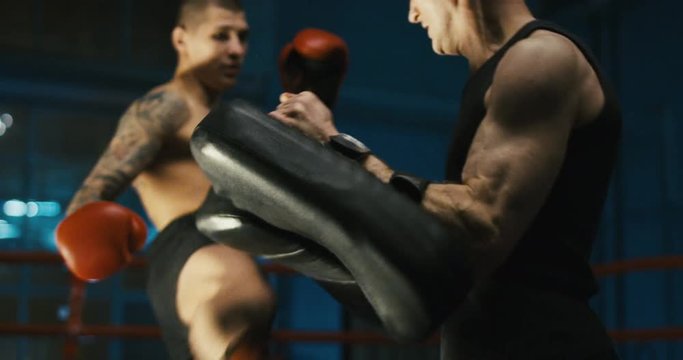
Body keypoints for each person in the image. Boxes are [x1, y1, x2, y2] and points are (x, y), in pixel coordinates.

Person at [267, 0, 622, 358]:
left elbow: (482, 226)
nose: (412, 14)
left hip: (543, 345)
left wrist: (339, 147)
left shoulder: (540, 60)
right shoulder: (495, 71)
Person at [55, 1, 276, 359]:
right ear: (181, 38)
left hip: (227, 256)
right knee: (242, 300)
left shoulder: (226, 115)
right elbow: (93, 192)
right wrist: (89, 229)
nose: (236, 49)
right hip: (195, 251)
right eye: (221, 36)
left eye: (242, 37)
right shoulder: (167, 105)